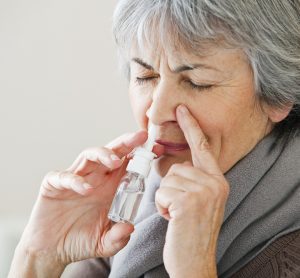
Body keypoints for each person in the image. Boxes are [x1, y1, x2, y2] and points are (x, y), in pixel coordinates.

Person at [9, 0, 300, 277]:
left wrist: (194, 269)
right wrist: (38, 255)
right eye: (146, 76)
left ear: (278, 95)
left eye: (197, 83)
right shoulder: (134, 213)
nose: (157, 113)